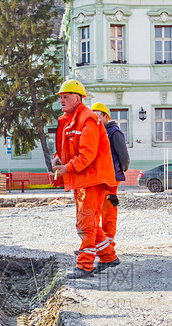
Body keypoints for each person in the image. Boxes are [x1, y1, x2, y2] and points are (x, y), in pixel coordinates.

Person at [53, 79, 119, 279]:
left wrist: (67, 167)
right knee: (90, 223)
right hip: (83, 178)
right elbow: (68, 148)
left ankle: (85, 266)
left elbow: (87, 155)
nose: (62, 100)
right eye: (61, 97)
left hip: (92, 179)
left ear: (78, 97)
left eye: (66, 97)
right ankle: (108, 257)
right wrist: (59, 158)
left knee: (85, 224)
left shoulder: (87, 119)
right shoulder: (70, 119)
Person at [91, 102, 129, 271]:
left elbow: (124, 157)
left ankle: (109, 247)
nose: (95, 118)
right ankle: (99, 246)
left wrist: (120, 171)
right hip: (100, 178)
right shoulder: (98, 131)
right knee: (97, 212)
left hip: (111, 179)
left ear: (106, 117)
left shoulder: (114, 132)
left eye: (98, 115)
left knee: (108, 213)